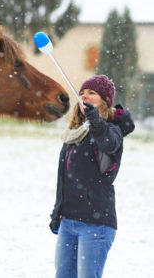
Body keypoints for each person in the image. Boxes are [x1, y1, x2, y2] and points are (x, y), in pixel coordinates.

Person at [49, 74, 135, 278]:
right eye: (82, 93)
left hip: (96, 225)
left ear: (105, 101)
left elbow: (109, 143)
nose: (84, 97)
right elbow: (65, 180)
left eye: (92, 93)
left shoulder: (112, 131)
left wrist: (96, 120)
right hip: (68, 222)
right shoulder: (74, 134)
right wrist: (57, 213)